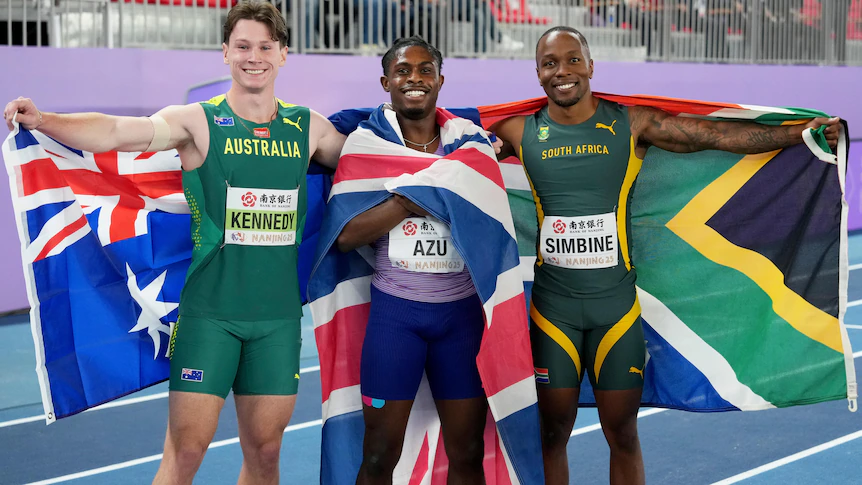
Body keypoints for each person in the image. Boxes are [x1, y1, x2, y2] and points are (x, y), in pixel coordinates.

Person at [3, 2, 345, 485]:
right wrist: (46, 119)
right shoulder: (196, 122)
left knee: (266, 453)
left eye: (265, 46)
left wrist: (457, 142)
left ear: (283, 54)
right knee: (185, 454)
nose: (254, 57)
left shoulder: (308, 127)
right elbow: (119, 131)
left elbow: (370, 161)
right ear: (224, 52)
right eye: (242, 46)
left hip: (277, 321)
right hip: (209, 319)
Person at [490, 26, 841, 485]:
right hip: (553, 313)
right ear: (537, 74)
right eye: (551, 63)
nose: (563, 72)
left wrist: (800, 135)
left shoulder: (630, 124)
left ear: (591, 66)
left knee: (622, 433)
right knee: (552, 434)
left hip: (615, 311)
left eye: (573, 59)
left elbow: (711, 136)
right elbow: (435, 146)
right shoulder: (516, 130)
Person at [334, 36, 494, 484]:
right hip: (395, 320)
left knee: (466, 453)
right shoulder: (366, 146)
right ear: (386, 82)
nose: (415, 79)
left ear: (440, 80)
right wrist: (415, 197)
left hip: (459, 320)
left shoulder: (470, 145)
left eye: (425, 70)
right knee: (379, 455)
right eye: (403, 71)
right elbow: (344, 235)